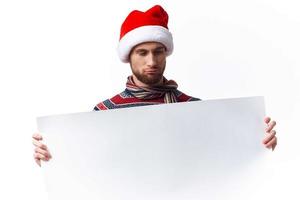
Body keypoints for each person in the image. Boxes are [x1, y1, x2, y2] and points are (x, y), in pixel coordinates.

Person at [32, 5, 277, 167]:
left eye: (158, 52)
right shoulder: (104, 113)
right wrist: (52, 156)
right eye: (142, 52)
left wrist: (258, 142)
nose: (152, 62)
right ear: (128, 56)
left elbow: (226, 159)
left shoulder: (194, 109)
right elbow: (86, 167)